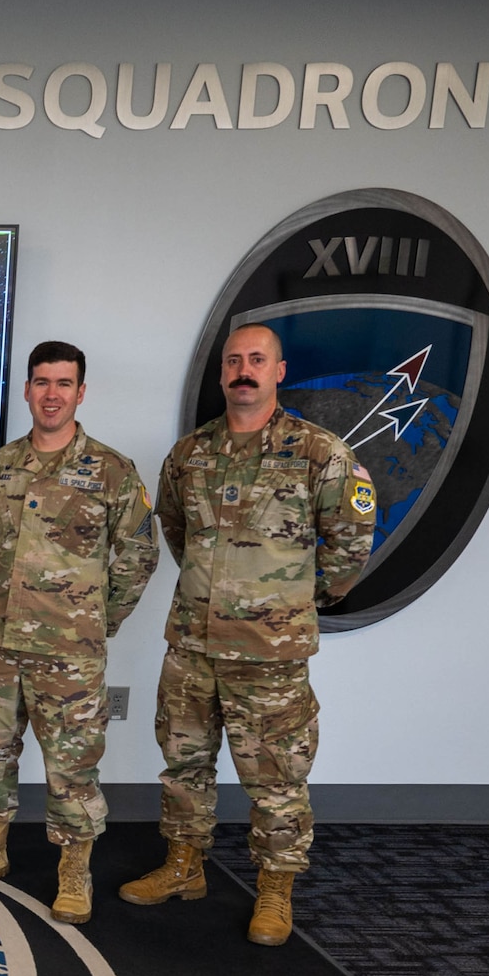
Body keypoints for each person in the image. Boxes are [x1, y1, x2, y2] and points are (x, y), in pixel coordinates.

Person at [123, 323, 374, 944]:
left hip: (270, 655)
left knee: (276, 777)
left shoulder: (320, 453)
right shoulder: (188, 455)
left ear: (278, 372)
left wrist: (291, 604)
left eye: (257, 359)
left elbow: (350, 544)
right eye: (234, 360)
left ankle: (275, 889)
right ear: (222, 374)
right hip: (193, 645)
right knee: (183, 764)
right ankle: (185, 866)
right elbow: (178, 534)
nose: (244, 369)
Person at [0, 342, 159, 922]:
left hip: (70, 652)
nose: (52, 394)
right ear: (28, 390)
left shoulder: (112, 470)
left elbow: (137, 554)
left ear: (81, 392)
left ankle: (75, 871)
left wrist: (95, 619)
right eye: (42, 382)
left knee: (73, 763)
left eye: (64, 383)